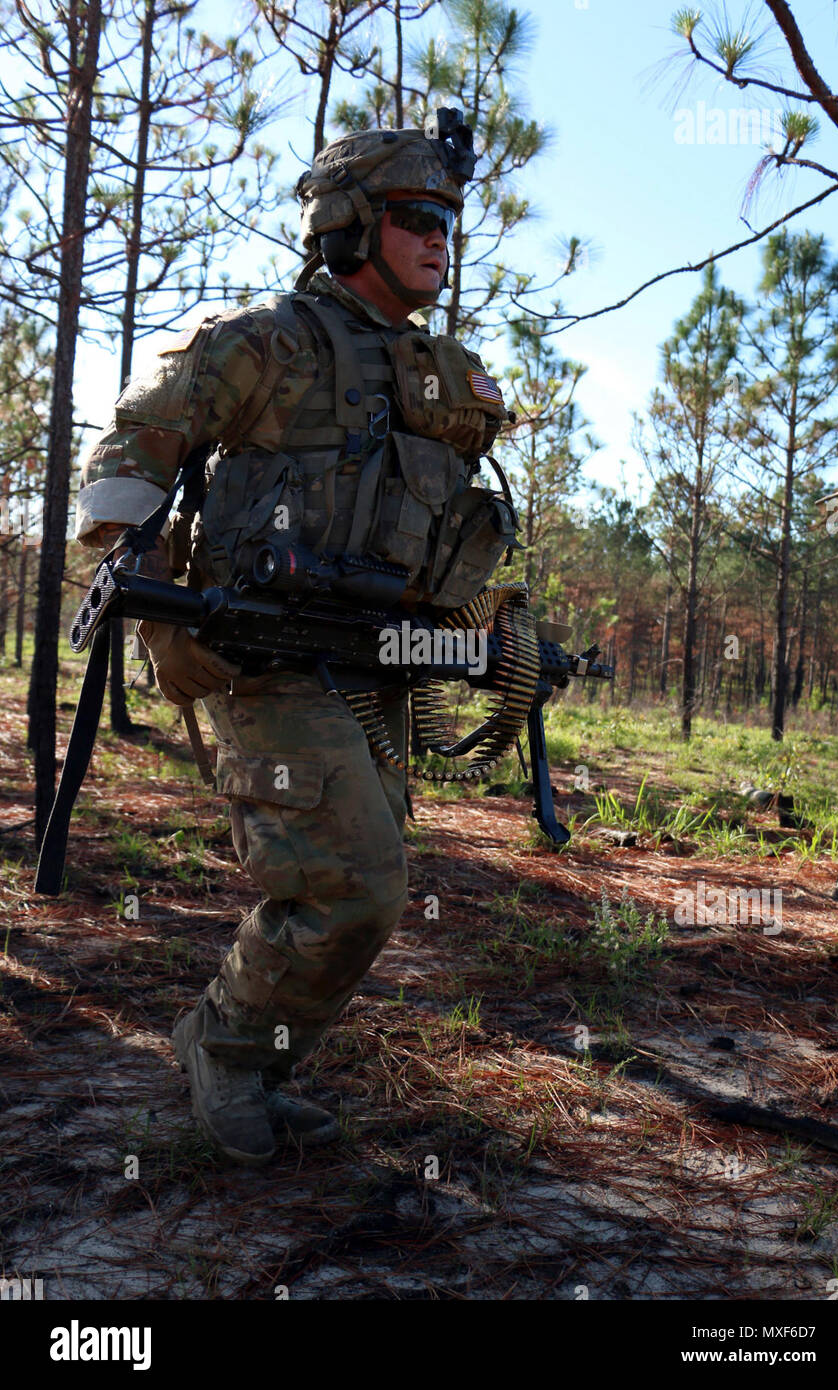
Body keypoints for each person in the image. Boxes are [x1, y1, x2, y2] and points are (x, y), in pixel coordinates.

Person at [75, 109, 515, 1165]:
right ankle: (223, 1054)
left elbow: (454, 528)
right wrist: (150, 602)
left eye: (449, 219)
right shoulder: (262, 344)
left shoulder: (439, 375)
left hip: (379, 668)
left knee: (362, 889)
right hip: (261, 656)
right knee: (349, 883)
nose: (438, 239)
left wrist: (480, 632)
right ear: (350, 225)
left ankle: (258, 1066)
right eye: (415, 216)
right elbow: (121, 468)